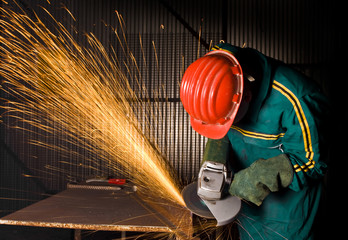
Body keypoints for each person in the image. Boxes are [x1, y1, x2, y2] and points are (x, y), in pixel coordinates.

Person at [180, 43, 329, 239]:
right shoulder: (216, 74)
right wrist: (214, 160)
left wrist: (258, 176)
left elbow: (313, 163)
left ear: (246, 96)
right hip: (245, 210)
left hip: (288, 219)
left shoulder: (298, 99)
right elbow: (220, 128)